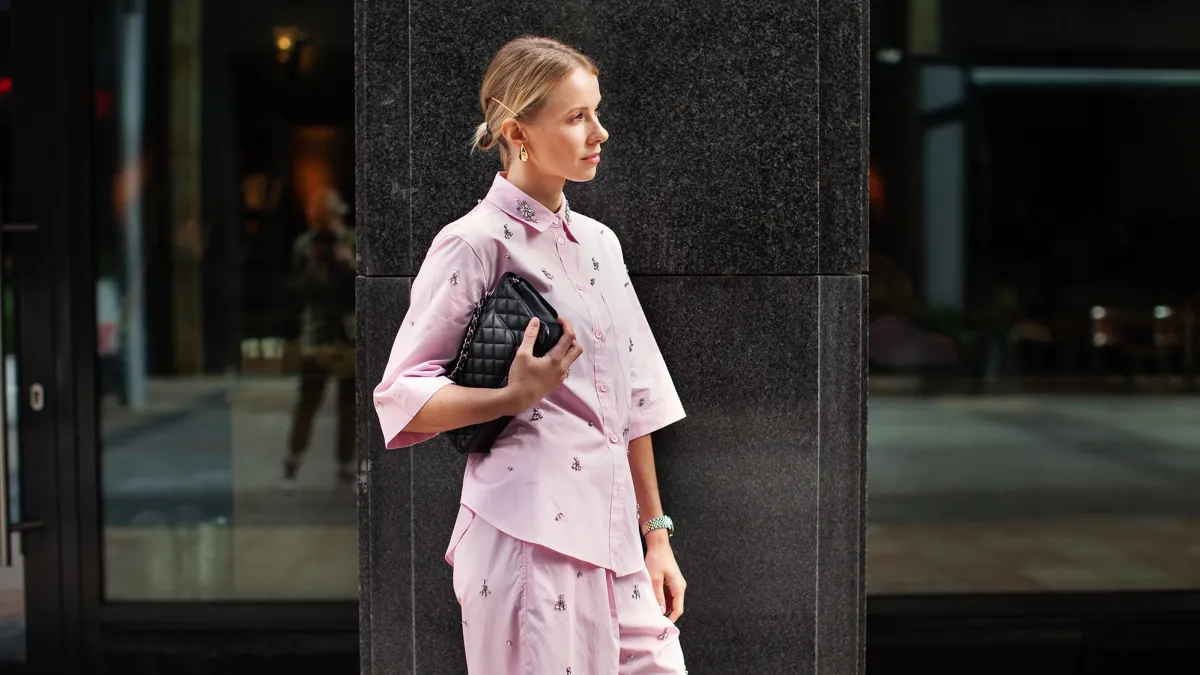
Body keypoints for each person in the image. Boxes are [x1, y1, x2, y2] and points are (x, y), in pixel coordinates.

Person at [373, 36, 689, 674]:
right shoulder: (471, 244)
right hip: (526, 541)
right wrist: (513, 397)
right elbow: (403, 393)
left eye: (596, 112)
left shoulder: (600, 244)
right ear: (518, 132)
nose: (599, 132)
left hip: (616, 544)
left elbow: (635, 402)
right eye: (577, 117)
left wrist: (656, 536)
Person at [282, 186, 357, 491]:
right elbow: (295, 291)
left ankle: (345, 465)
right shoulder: (304, 246)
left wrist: (346, 260)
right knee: (308, 401)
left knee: (348, 405)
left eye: (331, 217)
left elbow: (358, 288)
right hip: (316, 334)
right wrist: (312, 268)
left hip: (347, 335)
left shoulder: (350, 241)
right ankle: (292, 463)